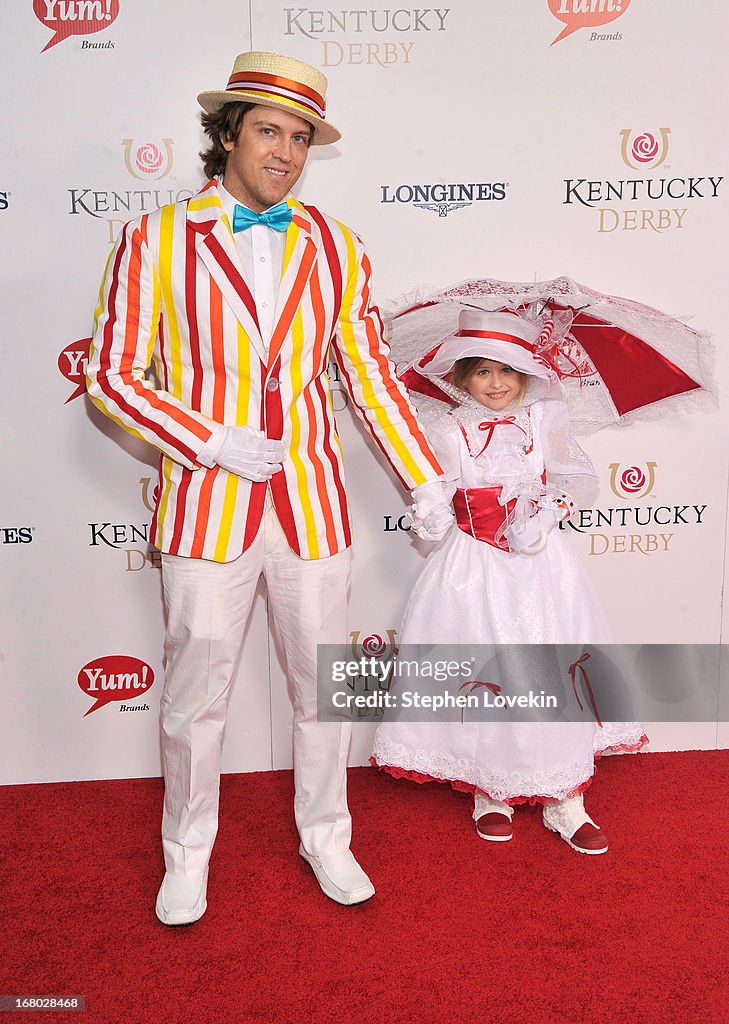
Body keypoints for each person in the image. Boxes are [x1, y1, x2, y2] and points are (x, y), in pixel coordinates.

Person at [86, 50, 451, 924]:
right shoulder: (156, 238)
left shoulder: (337, 245)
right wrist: (206, 438)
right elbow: (111, 375)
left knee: (324, 691)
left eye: (299, 137)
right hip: (207, 509)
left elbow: (368, 379)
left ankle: (327, 836)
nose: (284, 150)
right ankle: (187, 853)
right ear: (226, 135)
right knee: (192, 699)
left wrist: (424, 479)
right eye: (267, 131)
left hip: (313, 507)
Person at [371, 309, 646, 852]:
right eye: (482, 373)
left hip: (541, 569)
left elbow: (575, 476)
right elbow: (440, 500)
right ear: (461, 377)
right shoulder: (447, 430)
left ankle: (565, 797)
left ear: (527, 374)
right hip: (473, 569)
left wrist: (544, 509)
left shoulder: (546, 417)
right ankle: (490, 789)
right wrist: (430, 508)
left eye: (507, 371)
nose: (496, 384)